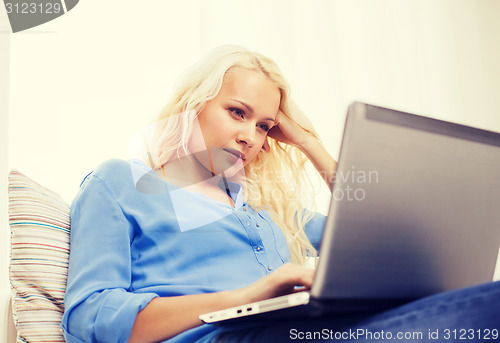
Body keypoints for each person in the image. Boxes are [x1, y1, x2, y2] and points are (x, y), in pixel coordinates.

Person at [62, 45, 500, 343]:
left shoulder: (271, 208)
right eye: (237, 112)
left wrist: (310, 143)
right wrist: (245, 296)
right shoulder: (120, 182)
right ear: (194, 104)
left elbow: (387, 235)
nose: (249, 136)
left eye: (265, 126)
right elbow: (88, 318)